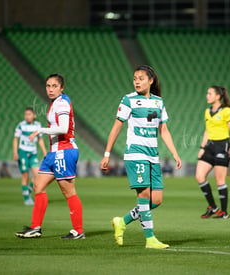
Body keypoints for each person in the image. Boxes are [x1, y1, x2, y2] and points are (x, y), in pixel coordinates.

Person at [100, 65, 181, 249]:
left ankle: (122, 221)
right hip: (136, 153)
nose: (136, 81)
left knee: (157, 200)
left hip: (153, 156)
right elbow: (116, 127)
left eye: (141, 78)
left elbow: (164, 130)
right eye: (135, 78)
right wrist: (107, 154)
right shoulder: (128, 100)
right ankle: (150, 239)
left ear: (151, 81)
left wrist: (175, 153)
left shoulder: (158, 102)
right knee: (144, 196)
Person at [16, 73, 84, 240]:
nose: (51, 89)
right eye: (48, 86)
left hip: (64, 150)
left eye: (54, 86)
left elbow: (62, 128)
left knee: (68, 192)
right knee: (38, 186)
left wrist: (40, 130)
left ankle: (78, 231)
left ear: (61, 88)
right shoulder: (56, 103)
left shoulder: (62, 104)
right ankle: (35, 228)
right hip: (54, 152)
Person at [196, 86, 230, 219]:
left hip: (222, 146)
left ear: (218, 96)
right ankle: (213, 207)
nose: (207, 96)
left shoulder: (226, 111)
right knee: (199, 176)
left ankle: (224, 212)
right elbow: (207, 131)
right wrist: (202, 148)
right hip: (210, 146)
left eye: (210, 93)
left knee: (220, 180)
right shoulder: (207, 111)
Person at [13, 107, 47, 205]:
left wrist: (44, 151)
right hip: (23, 152)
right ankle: (27, 199)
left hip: (33, 153)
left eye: (29, 114)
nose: (27, 116)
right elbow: (15, 139)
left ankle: (28, 190)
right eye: (26, 114)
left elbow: (40, 139)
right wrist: (15, 153)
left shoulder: (38, 125)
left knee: (37, 175)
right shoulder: (21, 126)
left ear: (34, 115)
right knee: (25, 175)